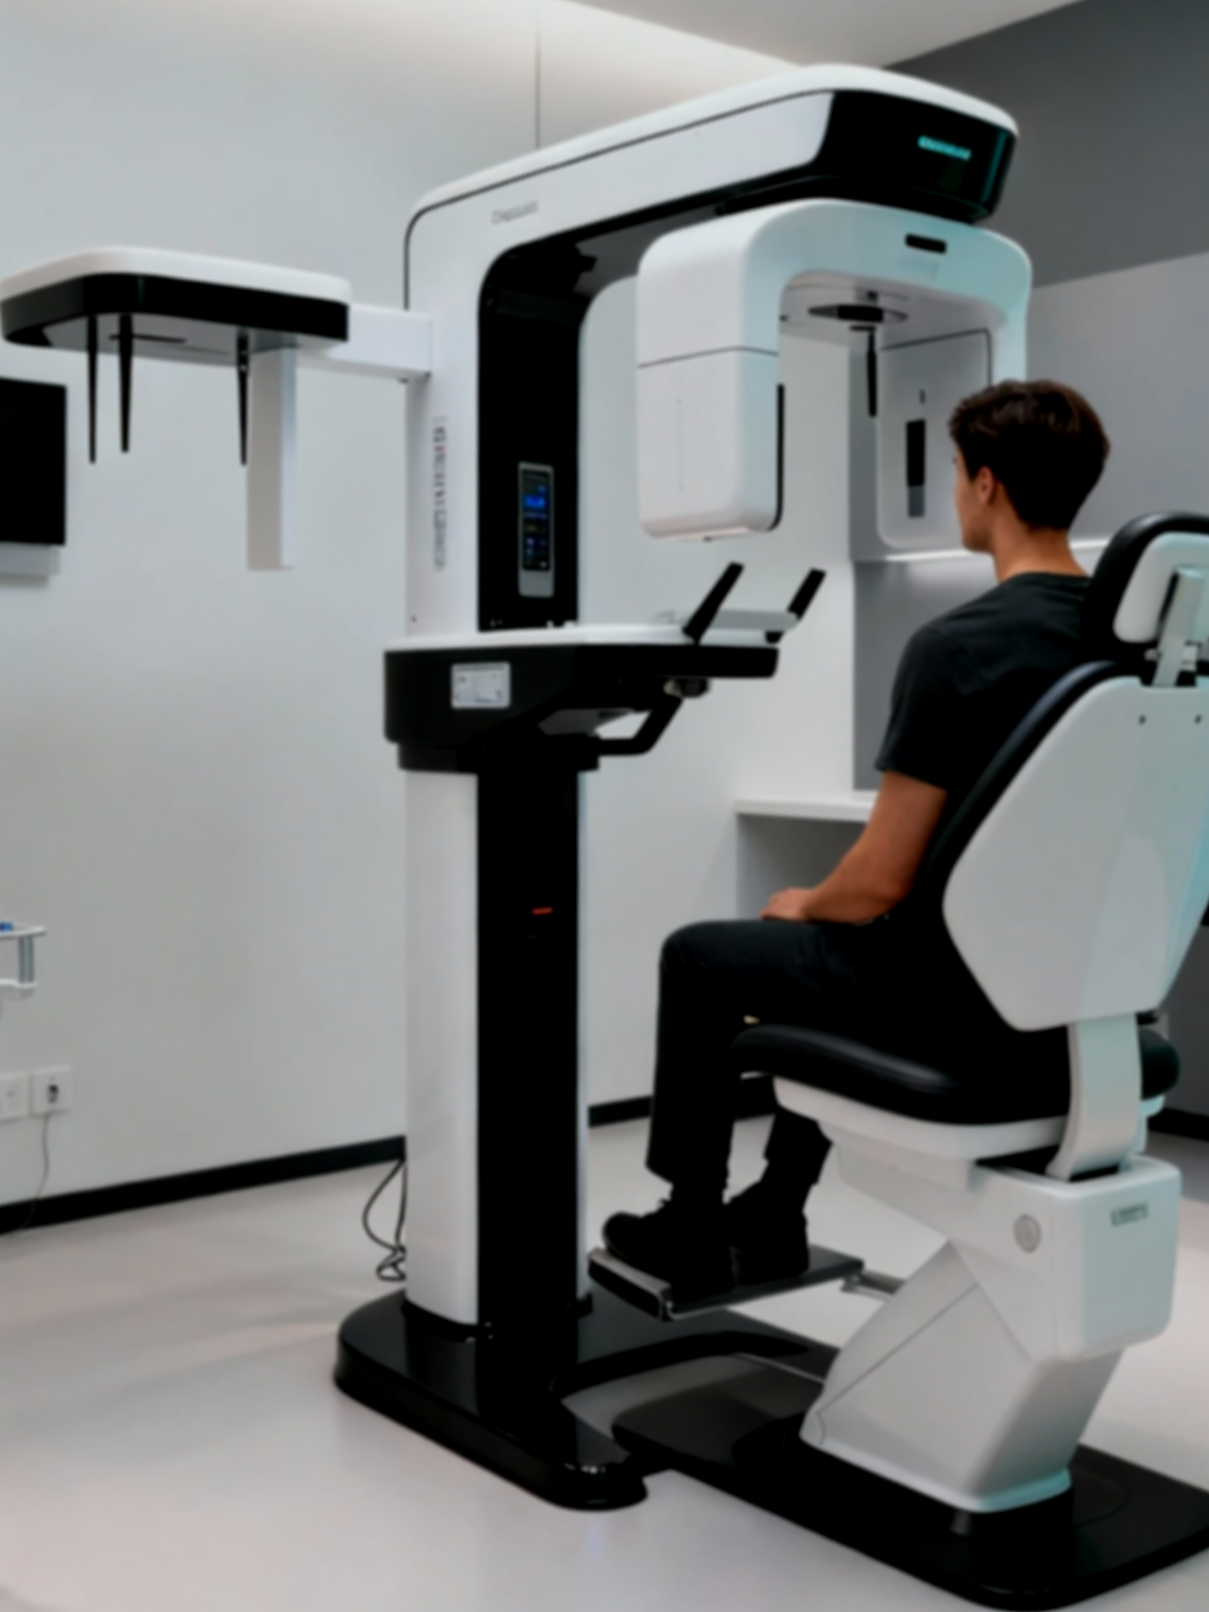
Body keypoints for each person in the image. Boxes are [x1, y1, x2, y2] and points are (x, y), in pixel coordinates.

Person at [603, 378, 1111, 1298]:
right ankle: (772, 1208)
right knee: (841, 942)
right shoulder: (1134, 649)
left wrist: (803, 901)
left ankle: (688, 1221)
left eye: (956, 472)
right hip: (1078, 1000)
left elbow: (878, 880)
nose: (957, 489)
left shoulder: (958, 646)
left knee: (707, 954)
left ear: (985, 484)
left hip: (953, 1000)